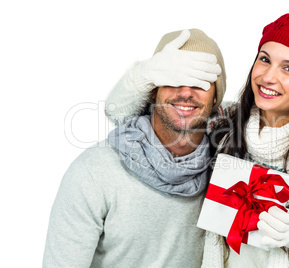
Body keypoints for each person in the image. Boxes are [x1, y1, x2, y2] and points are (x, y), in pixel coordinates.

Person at [104, 13, 289, 268]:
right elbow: (128, 119)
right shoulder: (224, 123)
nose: (268, 76)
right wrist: (144, 75)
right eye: (265, 59)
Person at [43, 28, 226, 267]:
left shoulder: (226, 169)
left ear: (215, 99)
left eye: (199, 82)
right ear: (152, 90)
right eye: (172, 79)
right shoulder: (93, 173)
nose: (185, 92)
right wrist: (137, 77)